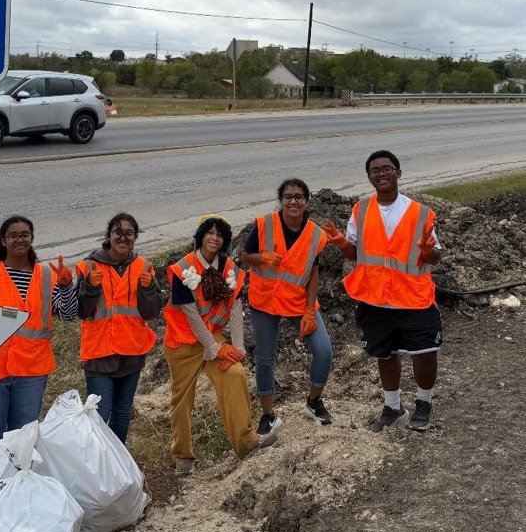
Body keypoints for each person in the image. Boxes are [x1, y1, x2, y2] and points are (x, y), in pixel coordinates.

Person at [321, 150, 442, 432]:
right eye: (375, 170)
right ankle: (393, 406)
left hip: (413, 297)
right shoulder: (360, 210)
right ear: (369, 177)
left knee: (424, 352)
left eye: (387, 168)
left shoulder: (418, 212)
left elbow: (436, 255)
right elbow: (355, 253)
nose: (381, 173)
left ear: (398, 173)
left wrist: (428, 251)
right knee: (384, 354)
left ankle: (424, 402)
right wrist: (341, 243)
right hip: (374, 298)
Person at [164, 214, 282, 475]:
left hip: (212, 337)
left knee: (235, 375)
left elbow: (236, 306)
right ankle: (183, 457)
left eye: (220, 234)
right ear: (200, 236)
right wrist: (217, 349)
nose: (214, 238)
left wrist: (237, 349)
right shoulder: (182, 269)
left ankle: (247, 443)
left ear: (225, 240)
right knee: (182, 400)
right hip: (182, 342)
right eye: (210, 232)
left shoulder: (229, 269)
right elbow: (191, 315)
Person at [0, 215, 77, 443]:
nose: (19, 240)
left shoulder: (47, 276)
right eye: (13, 235)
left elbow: (68, 313)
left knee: (22, 439)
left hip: (31, 370)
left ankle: (19, 479)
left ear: (32, 239)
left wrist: (65, 287)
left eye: (25, 235)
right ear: (3, 241)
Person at [241, 179, 333, 431]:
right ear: (281, 200)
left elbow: (313, 275)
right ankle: (268, 415)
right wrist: (262, 258)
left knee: (323, 350)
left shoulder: (316, 234)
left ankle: (314, 402)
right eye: (288, 196)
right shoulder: (264, 224)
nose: (293, 201)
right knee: (265, 358)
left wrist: (309, 309)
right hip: (265, 301)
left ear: (307, 201)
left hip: (296, 301)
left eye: (299, 196)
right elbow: (245, 256)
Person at [75, 212, 163, 444]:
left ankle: (119, 465)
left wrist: (148, 289)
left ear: (135, 238)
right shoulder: (89, 266)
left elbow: (152, 312)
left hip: (131, 353)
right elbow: (82, 311)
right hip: (99, 353)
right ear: (109, 235)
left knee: (123, 412)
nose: (123, 238)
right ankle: (99, 465)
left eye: (129, 234)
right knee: (99, 415)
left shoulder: (143, 266)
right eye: (118, 233)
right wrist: (90, 288)